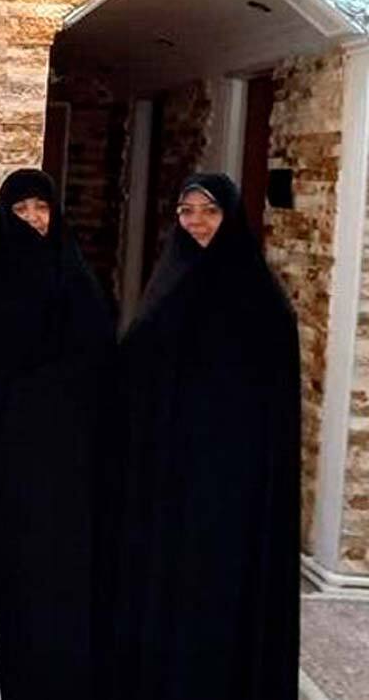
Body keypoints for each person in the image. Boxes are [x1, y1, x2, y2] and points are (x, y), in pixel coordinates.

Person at [110, 173, 300, 700]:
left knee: (218, 597)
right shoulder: (166, 288)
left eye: (209, 211)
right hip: (168, 480)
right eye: (186, 211)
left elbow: (270, 411)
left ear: (231, 217)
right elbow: (135, 377)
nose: (196, 222)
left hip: (231, 491)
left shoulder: (263, 305)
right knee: (168, 591)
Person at [0, 169, 114, 699]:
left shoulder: (77, 280)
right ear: (2, 215)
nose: (33, 218)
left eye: (42, 207)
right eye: (21, 209)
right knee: (1, 572)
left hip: (64, 470)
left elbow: (100, 369)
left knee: (54, 578)